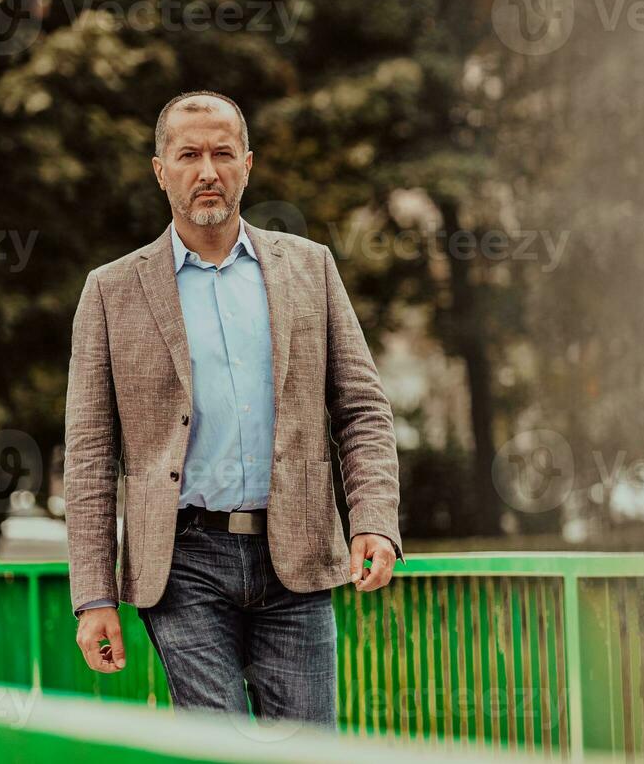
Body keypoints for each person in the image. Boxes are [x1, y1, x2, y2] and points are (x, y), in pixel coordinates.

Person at [64, 90, 402, 726]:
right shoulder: (111, 291)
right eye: (188, 154)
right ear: (160, 170)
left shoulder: (312, 268)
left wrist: (374, 519)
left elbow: (361, 409)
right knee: (221, 747)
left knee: (308, 747)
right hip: (183, 563)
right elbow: (88, 457)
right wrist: (94, 596)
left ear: (248, 163)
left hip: (296, 555)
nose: (207, 170)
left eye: (223, 153)